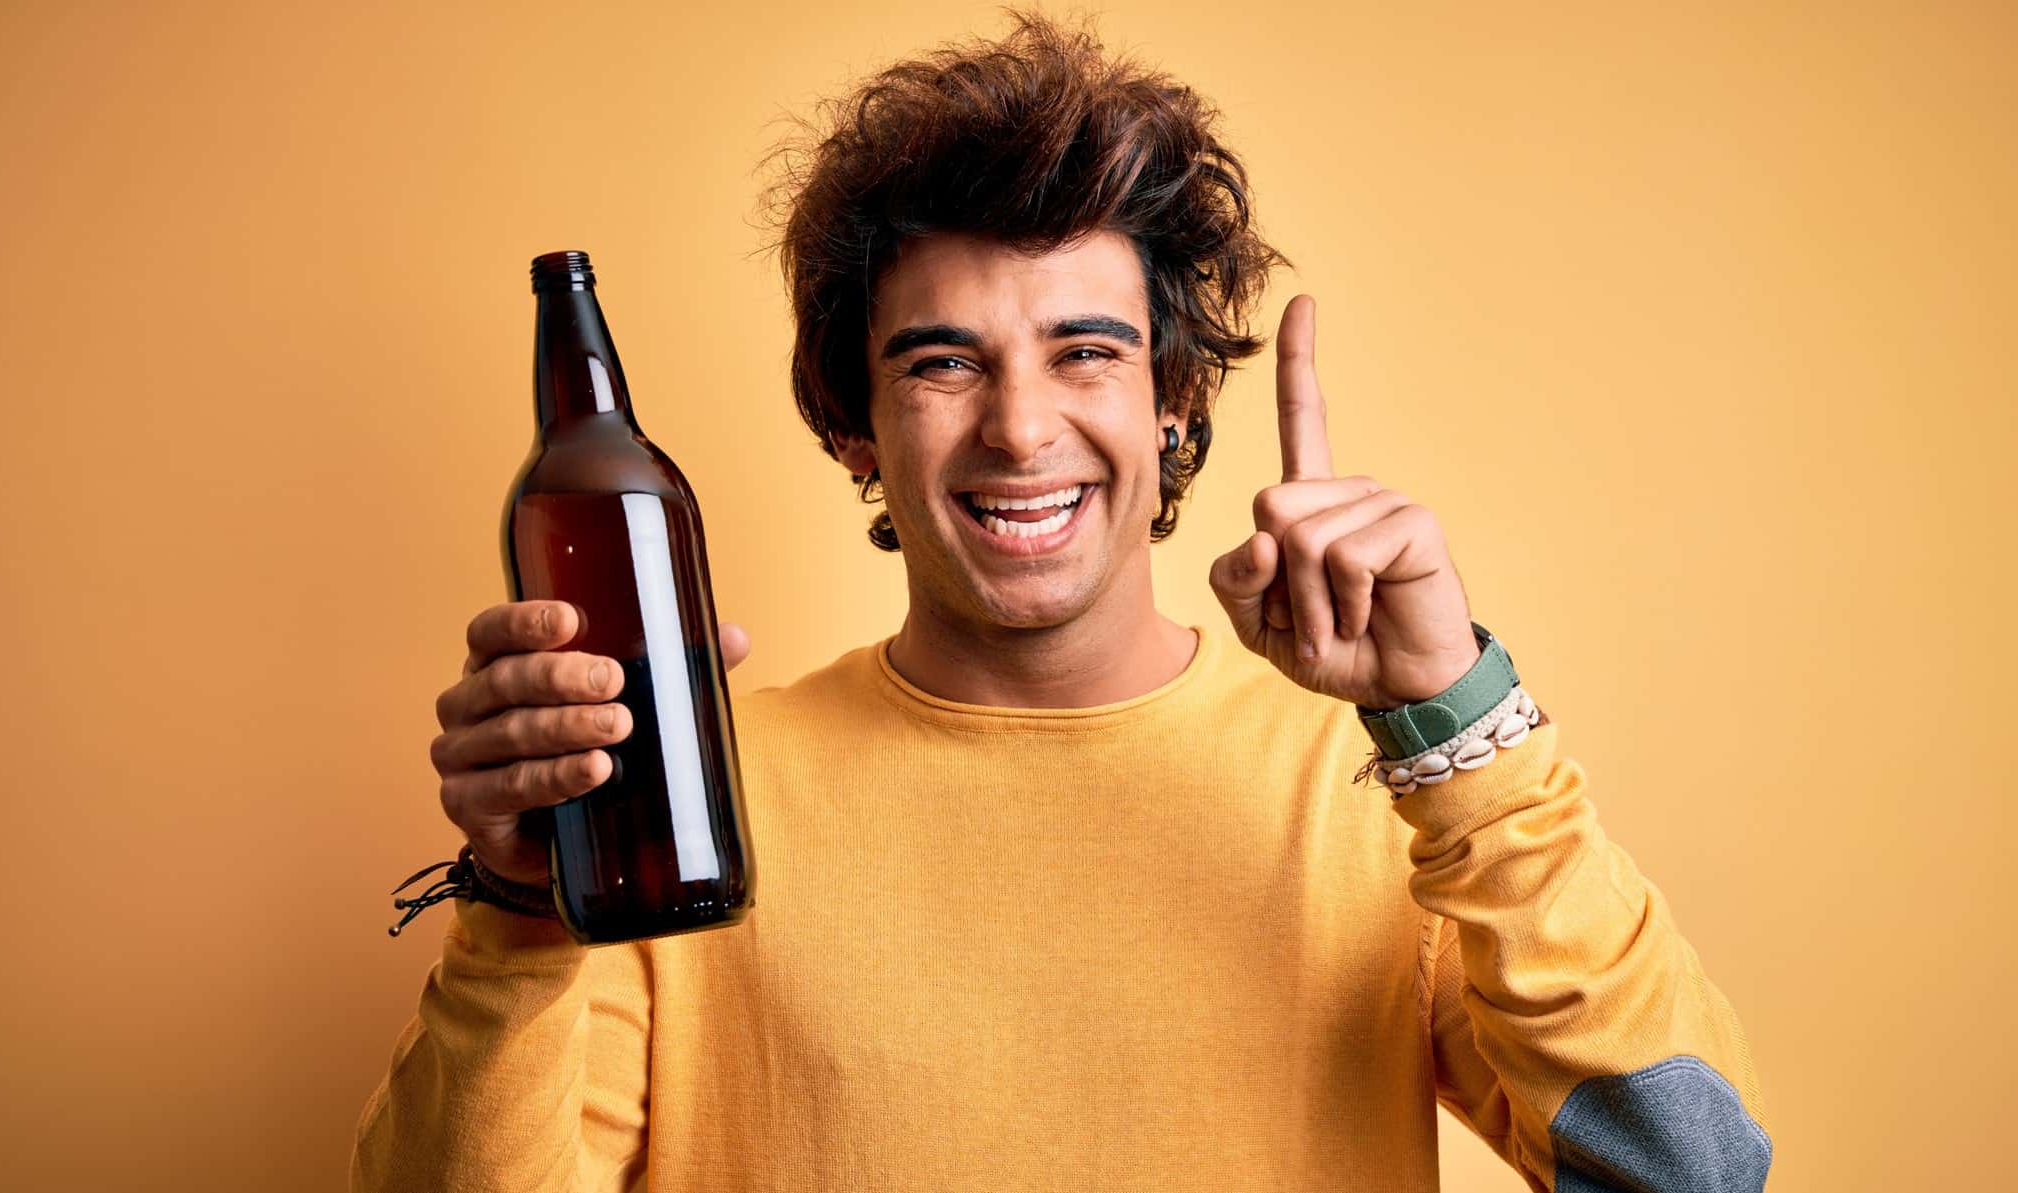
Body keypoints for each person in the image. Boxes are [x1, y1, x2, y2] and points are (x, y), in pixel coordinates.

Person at [350, 14, 1770, 1192]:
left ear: (1174, 403)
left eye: (1085, 350)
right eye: (941, 364)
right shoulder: (702, 797)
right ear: (857, 427)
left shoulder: (1376, 787)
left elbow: (1692, 1172)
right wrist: (522, 901)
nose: (1020, 430)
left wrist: (1461, 720)